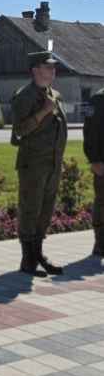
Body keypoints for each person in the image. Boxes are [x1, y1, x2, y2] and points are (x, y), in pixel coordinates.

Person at [11, 51, 67, 276]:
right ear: (35, 70)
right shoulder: (24, 96)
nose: (53, 71)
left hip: (52, 163)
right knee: (30, 209)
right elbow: (19, 130)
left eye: (53, 67)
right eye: (48, 67)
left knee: (45, 210)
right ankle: (28, 260)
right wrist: (44, 111)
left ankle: (38, 253)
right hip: (33, 164)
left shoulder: (55, 94)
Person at [83, 88, 104, 258]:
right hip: (102, 161)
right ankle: (100, 243)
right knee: (102, 202)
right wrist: (95, 160)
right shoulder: (98, 99)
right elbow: (90, 132)